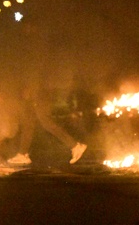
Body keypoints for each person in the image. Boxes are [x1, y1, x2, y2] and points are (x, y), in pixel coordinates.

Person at [7, 16, 87, 165]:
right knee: (28, 121)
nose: (23, 29)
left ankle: (75, 145)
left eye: (25, 26)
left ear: (30, 27)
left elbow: (35, 70)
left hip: (40, 90)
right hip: (39, 88)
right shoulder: (36, 43)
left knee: (45, 121)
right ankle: (23, 154)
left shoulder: (35, 45)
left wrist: (30, 88)